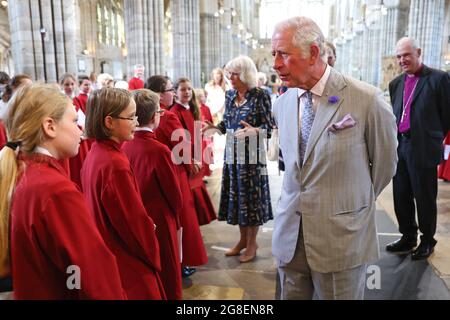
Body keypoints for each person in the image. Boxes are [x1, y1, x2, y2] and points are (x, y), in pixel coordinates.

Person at [271, 16, 397, 299]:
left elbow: (385, 166)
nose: (275, 64)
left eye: (284, 54)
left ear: (313, 52)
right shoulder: (282, 103)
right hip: (290, 238)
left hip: (340, 238)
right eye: (273, 54)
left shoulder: (366, 100)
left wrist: (348, 204)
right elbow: (293, 168)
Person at [0, 84, 126, 299]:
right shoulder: (55, 190)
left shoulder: (22, 171)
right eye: (74, 121)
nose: (81, 130)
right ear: (50, 126)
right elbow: (93, 275)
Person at [81, 88, 165, 299]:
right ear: (109, 122)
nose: (136, 123)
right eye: (130, 117)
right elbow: (132, 223)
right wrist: (149, 230)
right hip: (125, 259)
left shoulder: (96, 152)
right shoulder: (114, 164)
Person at [203, 55, 274, 263]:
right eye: (229, 74)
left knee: (252, 201)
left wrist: (257, 132)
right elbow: (227, 122)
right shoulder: (230, 94)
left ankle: (252, 244)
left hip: (252, 155)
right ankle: (243, 240)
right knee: (240, 200)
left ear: (245, 74)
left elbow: (269, 127)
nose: (230, 77)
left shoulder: (260, 95)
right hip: (232, 155)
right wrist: (215, 128)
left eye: (234, 74)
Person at [386, 37, 450, 260]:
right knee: (401, 194)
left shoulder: (439, 79)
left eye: (406, 55)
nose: (402, 60)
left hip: (422, 146)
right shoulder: (395, 84)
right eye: (399, 56)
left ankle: (427, 240)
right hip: (400, 145)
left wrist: (433, 137)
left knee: (424, 196)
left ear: (418, 52)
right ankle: (408, 236)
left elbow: (446, 115)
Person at [145, 75, 208, 278]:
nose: (173, 93)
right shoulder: (168, 116)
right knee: (182, 221)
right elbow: (182, 146)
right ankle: (180, 263)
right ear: (159, 94)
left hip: (150, 176)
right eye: (170, 89)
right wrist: (192, 165)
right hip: (174, 173)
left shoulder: (145, 114)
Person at [123, 89, 183, 300]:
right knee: (168, 266)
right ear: (153, 116)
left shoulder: (124, 144)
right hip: (160, 216)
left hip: (138, 217)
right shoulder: (159, 150)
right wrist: (177, 213)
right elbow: (173, 192)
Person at [171, 78, 217, 226]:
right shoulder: (175, 113)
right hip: (187, 162)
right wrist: (191, 159)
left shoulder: (192, 109)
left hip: (197, 158)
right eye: (183, 89)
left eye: (189, 89)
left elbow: (197, 136)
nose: (187, 92)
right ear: (175, 92)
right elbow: (179, 141)